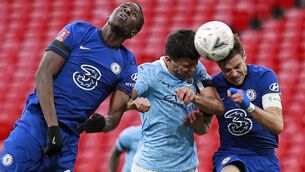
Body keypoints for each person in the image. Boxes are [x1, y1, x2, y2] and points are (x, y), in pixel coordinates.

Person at [0, 2, 145, 171]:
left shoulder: (128, 64)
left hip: (68, 139)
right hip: (37, 123)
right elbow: (43, 74)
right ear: (109, 15)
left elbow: (114, 117)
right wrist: (52, 127)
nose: (126, 10)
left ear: (133, 33)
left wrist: (102, 124)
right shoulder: (78, 31)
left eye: (133, 13)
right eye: (123, 6)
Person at [128, 29, 225, 171]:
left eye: (195, 63)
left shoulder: (197, 70)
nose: (192, 69)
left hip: (187, 166)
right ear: (168, 59)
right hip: (150, 166)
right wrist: (133, 104)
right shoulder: (149, 73)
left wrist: (195, 99)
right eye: (187, 66)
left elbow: (218, 108)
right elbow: (121, 100)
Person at [212, 35, 283, 172]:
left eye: (237, 66)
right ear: (219, 66)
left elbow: (277, 125)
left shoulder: (264, 77)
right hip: (231, 154)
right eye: (227, 70)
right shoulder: (214, 85)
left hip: (264, 156)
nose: (233, 74)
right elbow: (202, 128)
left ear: (244, 55)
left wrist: (248, 105)